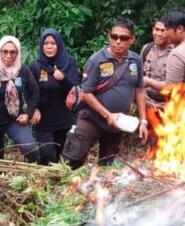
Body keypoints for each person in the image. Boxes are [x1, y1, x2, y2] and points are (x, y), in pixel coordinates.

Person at [62, 18, 149, 169]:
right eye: (114, 36)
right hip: (91, 119)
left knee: (107, 164)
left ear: (132, 39)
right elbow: (86, 93)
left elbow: (140, 90)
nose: (118, 41)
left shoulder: (135, 60)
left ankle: (98, 183)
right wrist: (108, 115)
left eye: (124, 38)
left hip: (117, 123)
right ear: (109, 36)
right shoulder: (97, 60)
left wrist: (143, 121)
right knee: (74, 161)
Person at [28, 28, 80, 164]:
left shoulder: (69, 63)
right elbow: (29, 91)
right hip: (43, 120)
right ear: (41, 45)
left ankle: (56, 177)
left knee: (61, 157)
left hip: (65, 118)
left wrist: (64, 78)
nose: (49, 46)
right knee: (47, 155)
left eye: (53, 43)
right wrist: (33, 109)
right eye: (46, 43)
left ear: (59, 44)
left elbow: (76, 88)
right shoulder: (35, 66)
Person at [139, 19, 173, 108]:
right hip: (147, 102)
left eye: (163, 30)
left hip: (169, 105)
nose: (159, 34)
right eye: (156, 29)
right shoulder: (146, 49)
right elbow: (140, 75)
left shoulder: (176, 53)